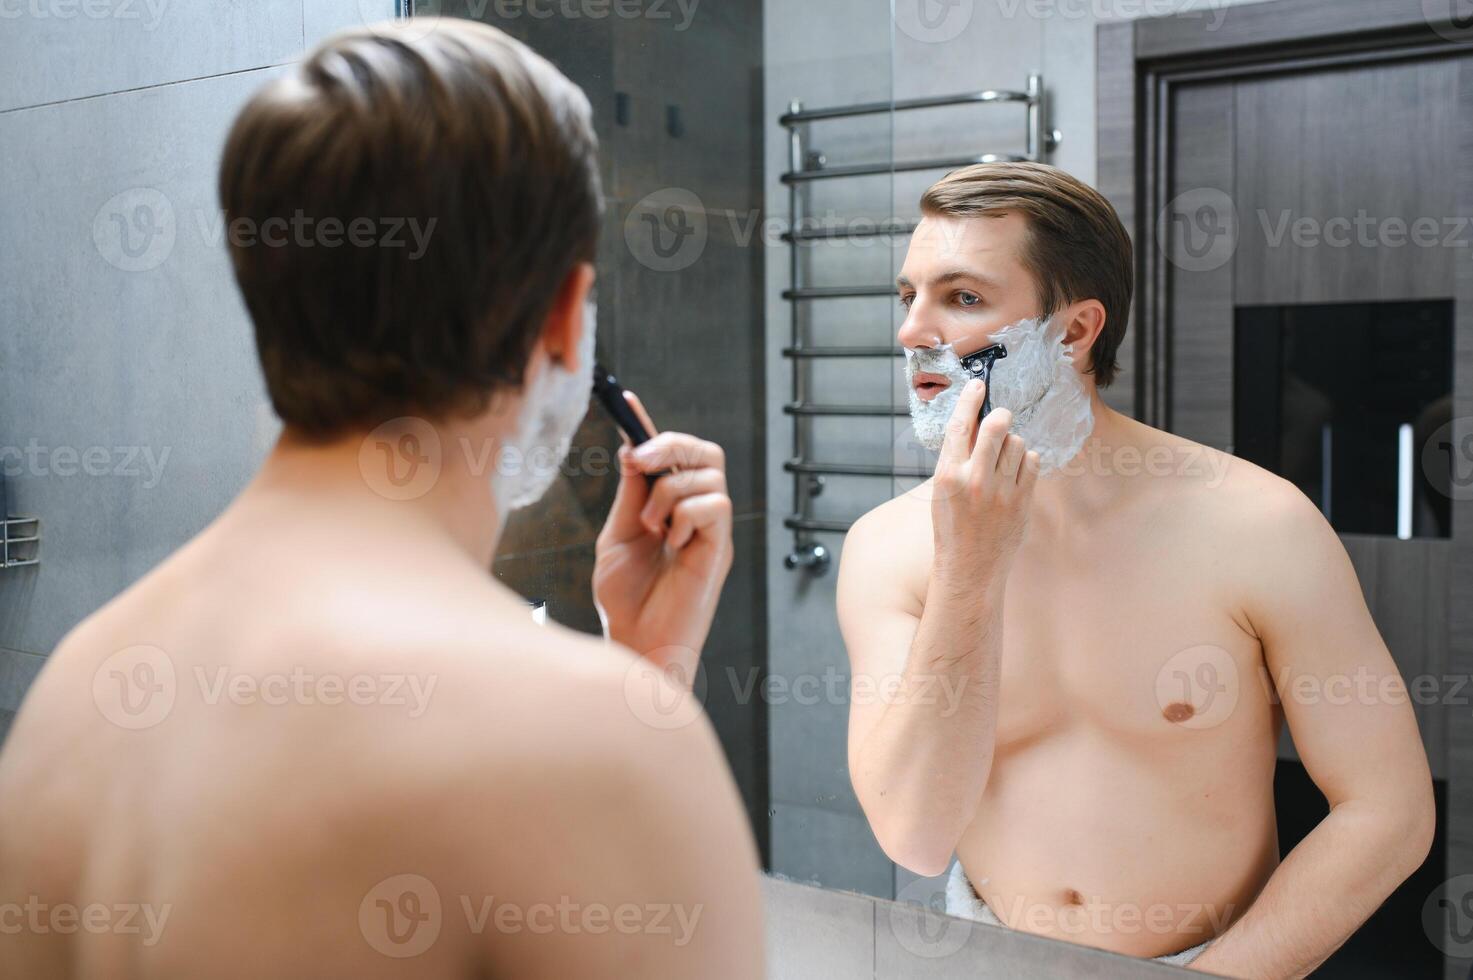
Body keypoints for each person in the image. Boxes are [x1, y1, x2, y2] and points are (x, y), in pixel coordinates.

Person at [0, 19, 762, 979]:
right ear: (566, 319)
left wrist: (643, 671)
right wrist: (642, 704)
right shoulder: (582, 749)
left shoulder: (81, 691)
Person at [838, 161, 1435, 974]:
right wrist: (970, 575)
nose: (913, 330)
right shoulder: (888, 550)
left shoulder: (1256, 524)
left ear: (1076, 331)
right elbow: (911, 835)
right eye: (908, 296)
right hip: (984, 955)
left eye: (962, 297)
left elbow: (1387, 811)